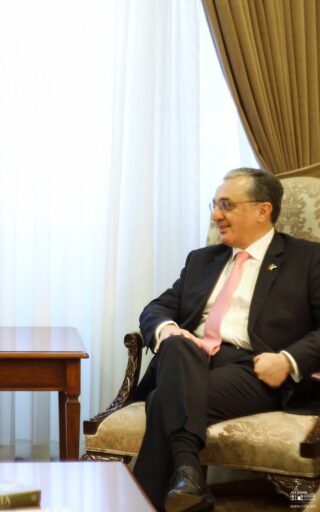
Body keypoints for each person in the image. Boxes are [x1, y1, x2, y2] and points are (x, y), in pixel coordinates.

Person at [133, 167, 320, 512]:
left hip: (254, 369)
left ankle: (155, 497)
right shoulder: (202, 260)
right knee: (175, 344)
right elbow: (156, 308)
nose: (216, 216)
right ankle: (188, 476)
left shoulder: (307, 259)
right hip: (188, 359)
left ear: (263, 210)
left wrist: (288, 360)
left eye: (226, 205)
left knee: (163, 400)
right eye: (214, 205)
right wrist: (167, 329)